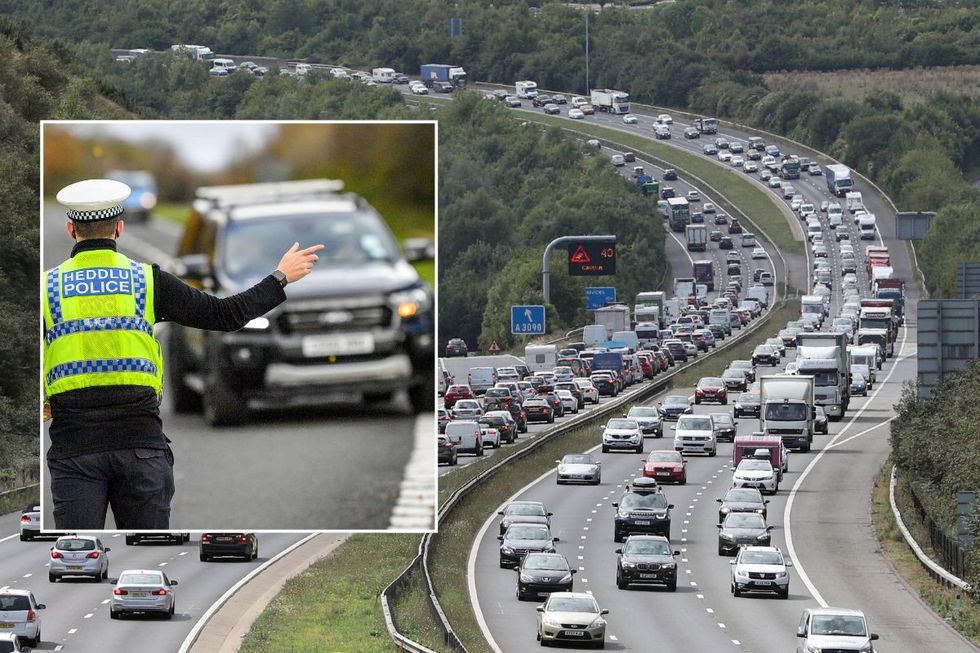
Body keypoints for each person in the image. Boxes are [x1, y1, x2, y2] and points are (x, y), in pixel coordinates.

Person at [43, 178, 324, 529]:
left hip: (75, 449)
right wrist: (280, 277)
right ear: (120, 228)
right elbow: (226, 315)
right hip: (140, 447)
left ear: (71, 229)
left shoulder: (46, 288)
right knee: (146, 551)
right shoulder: (148, 281)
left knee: (80, 558)